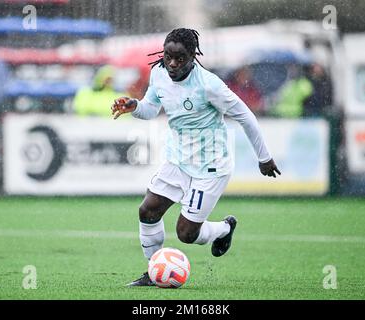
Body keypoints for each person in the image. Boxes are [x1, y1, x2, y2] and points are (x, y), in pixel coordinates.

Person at [111, 28, 280, 286]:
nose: (173, 63)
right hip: (178, 161)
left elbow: (245, 116)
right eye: (168, 56)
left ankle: (224, 228)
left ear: (193, 56)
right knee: (148, 210)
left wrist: (264, 157)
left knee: (186, 234)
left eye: (180, 58)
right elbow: (150, 108)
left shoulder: (209, 85)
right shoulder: (158, 73)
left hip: (210, 167)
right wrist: (134, 106)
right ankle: (154, 272)